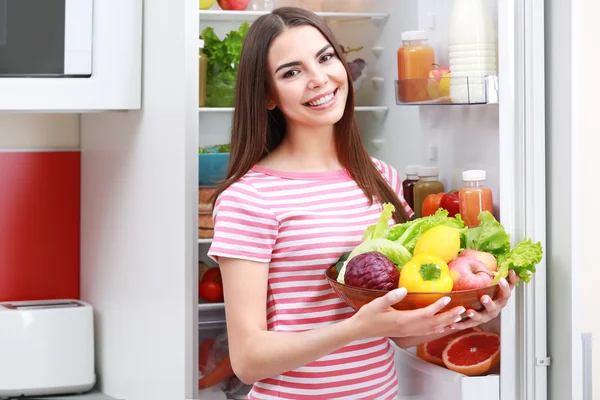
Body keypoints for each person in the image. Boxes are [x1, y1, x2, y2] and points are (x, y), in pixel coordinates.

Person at [207, 6, 519, 399]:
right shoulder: (249, 197)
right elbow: (249, 359)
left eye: (325, 58)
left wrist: (463, 315)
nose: (319, 79)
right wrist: (358, 327)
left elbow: (399, 331)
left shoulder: (379, 178)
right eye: (292, 72)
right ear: (267, 95)